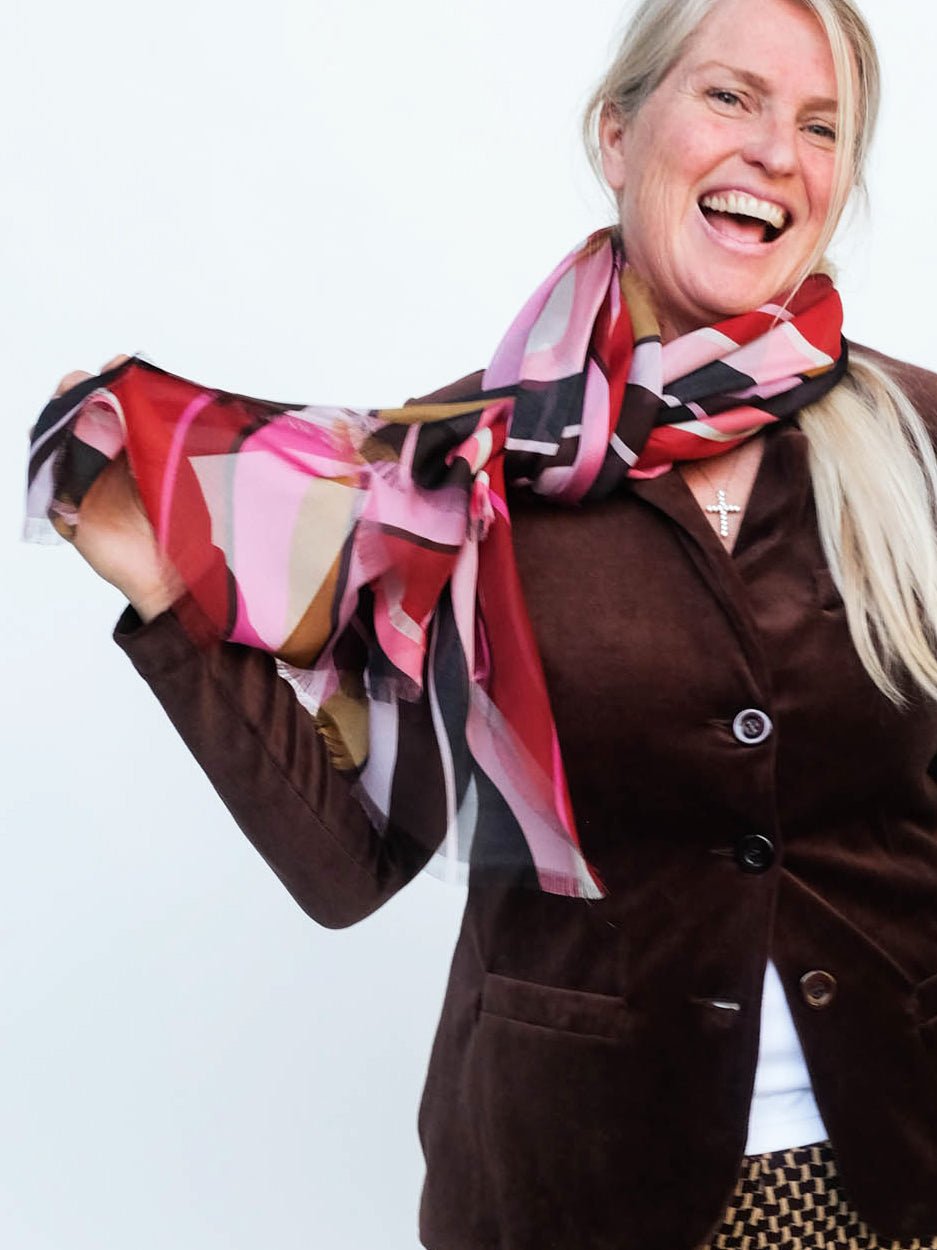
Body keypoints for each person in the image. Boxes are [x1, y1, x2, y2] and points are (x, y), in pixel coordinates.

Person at [31, 0, 937, 1246]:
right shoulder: (458, 473)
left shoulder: (917, 439)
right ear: (616, 134)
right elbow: (350, 859)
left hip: (900, 1166)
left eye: (822, 125)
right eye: (730, 96)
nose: (778, 151)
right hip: (576, 1183)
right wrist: (158, 581)